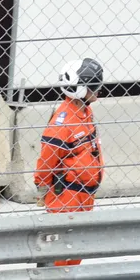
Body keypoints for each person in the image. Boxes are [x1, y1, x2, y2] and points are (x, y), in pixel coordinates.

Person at [34, 58, 106, 267]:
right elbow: (46, 160)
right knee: (61, 251)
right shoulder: (64, 122)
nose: (98, 90)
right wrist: (42, 188)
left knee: (76, 249)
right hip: (66, 196)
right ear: (79, 89)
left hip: (84, 194)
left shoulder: (85, 112)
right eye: (93, 86)